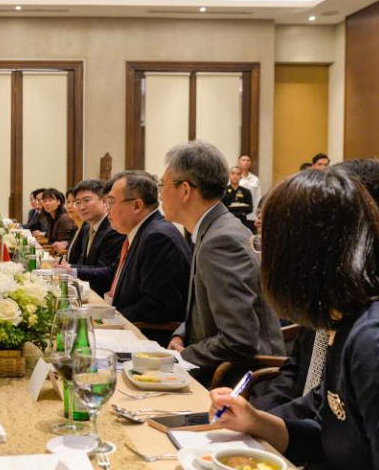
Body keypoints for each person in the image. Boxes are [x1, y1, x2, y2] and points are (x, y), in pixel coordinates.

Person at [209, 168, 379, 470]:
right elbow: (325, 437)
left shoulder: (370, 341)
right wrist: (256, 421)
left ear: (301, 257)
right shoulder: (341, 323)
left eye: (266, 245)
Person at [252, 158, 379, 418]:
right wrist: (256, 418)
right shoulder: (328, 296)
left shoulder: (368, 333)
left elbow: (330, 417)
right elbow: (300, 375)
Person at [160, 140, 284, 386]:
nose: (160, 194)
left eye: (162, 186)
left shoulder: (221, 241)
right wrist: (181, 335)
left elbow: (239, 339)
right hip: (220, 372)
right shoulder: (214, 228)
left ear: (185, 190)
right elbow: (211, 309)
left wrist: (179, 357)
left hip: (236, 385)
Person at [104, 171, 191, 346]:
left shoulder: (157, 238)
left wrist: (112, 318)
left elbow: (159, 307)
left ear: (136, 205)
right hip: (130, 330)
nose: (107, 208)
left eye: (111, 202)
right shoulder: (145, 231)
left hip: (148, 341)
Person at [54, 180, 124, 296]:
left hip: (102, 295)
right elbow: (84, 262)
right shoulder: (87, 227)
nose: (81, 207)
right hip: (86, 291)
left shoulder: (113, 229)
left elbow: (107, 271)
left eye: (87, 200)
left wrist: (71, 269)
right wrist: (67, 266)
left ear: (104, 201)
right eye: (78, 202)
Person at [52, 188, 84, 254]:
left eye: (74, 202)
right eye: (68, 202)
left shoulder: (86, 229)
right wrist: (66, 244)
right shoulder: (76, 228)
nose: (69, 206)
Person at [222, 166, 254, 230]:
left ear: (241, 176)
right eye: (233, 173)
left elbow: (250, 208)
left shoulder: (246, 191)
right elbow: (220, 206)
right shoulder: (223, 191)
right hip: (227, 221)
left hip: (242, 221)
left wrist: (241, 211)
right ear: (229, 175)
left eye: (238, 174)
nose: (235, 176)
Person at [237, 155, 261, 230]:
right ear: (238, 162)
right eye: (243, 160)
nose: (246, 162)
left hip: (251, 215)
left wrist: (258, 214)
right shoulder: (235, 178)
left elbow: (258, 197)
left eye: (248, 160)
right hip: (237, 214)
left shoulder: (255, 179)